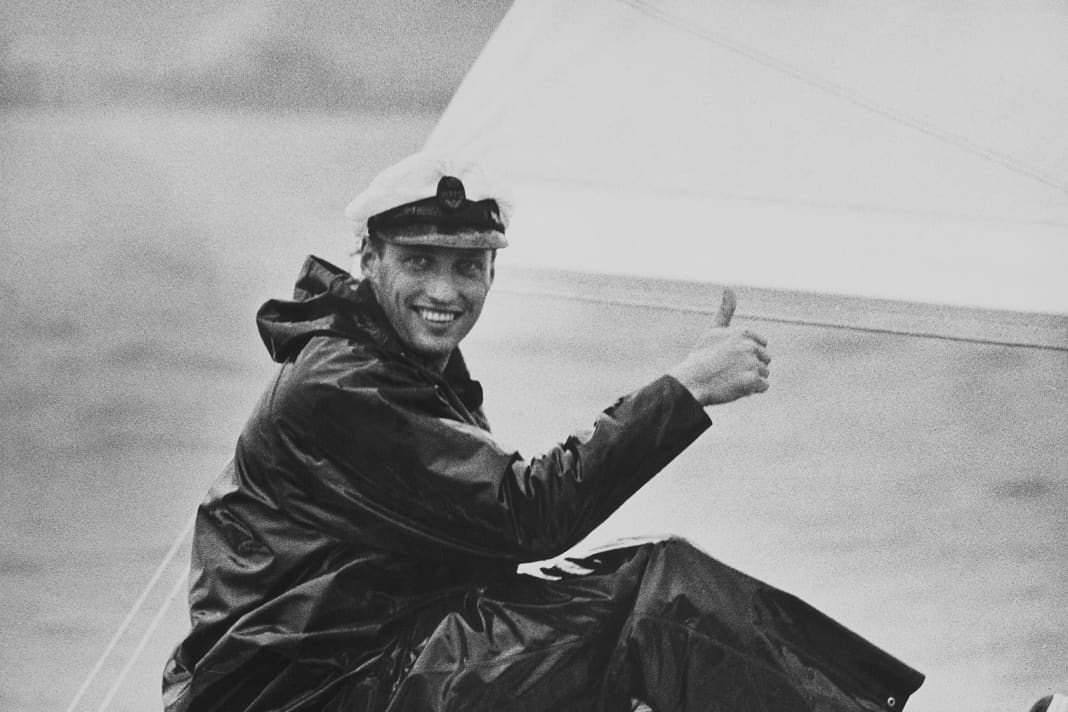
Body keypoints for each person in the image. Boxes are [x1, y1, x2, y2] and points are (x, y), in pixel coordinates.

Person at [163, 153, 925, 711]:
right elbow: (526, 516)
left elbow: (484, 543)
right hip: (315, 693)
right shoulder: (341, 383)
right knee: (657, 597)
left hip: (354, 671)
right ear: (368, 259)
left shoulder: (392, 363)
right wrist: (685, 390)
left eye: (468, 267)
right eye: (419, 261)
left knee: (616, 638)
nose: (443, 290)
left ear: (494, 272)